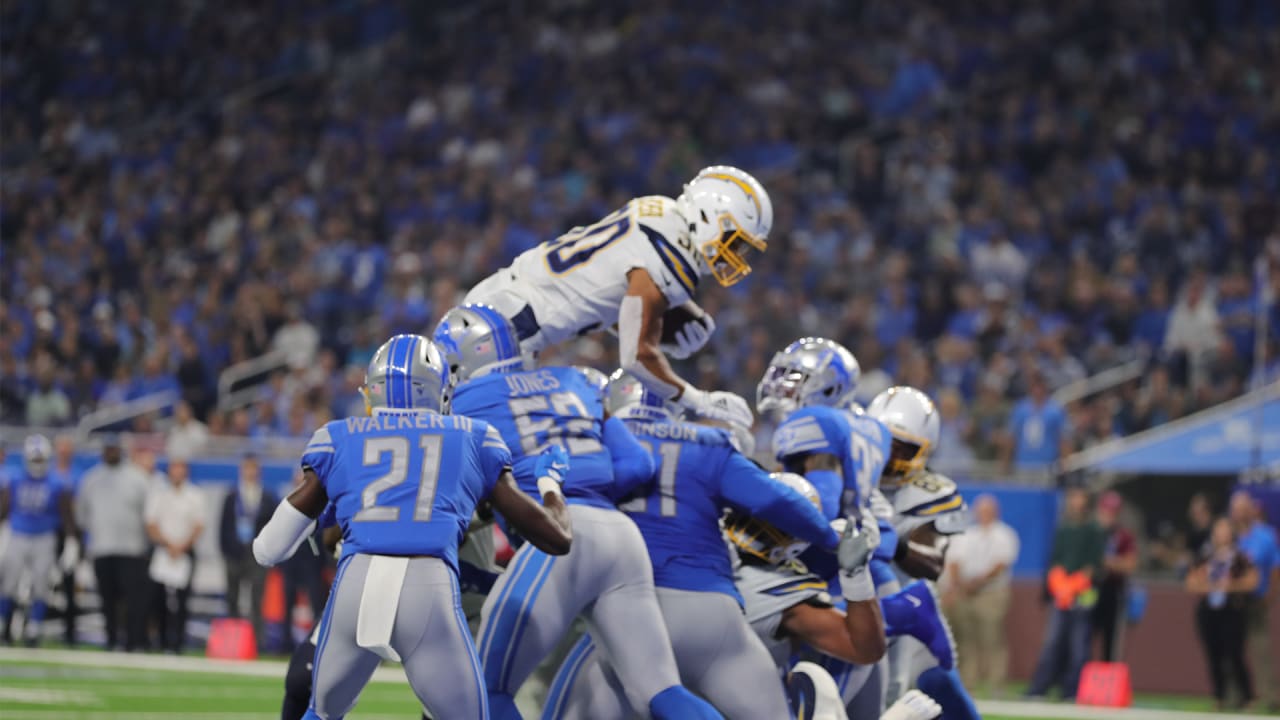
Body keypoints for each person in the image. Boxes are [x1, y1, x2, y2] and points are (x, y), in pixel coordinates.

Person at [252, 334, 573, 720]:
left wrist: (325, 511)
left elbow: (268, 550)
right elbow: (557, 539)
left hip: (356, 586)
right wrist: (550, 482)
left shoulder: (337, 437)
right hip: (427, 587)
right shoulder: (473, 437)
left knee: (319, 713)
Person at [436, 305, 721, 720]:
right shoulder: (577, 380)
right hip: (620, 537)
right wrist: (588, 482)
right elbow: (639, 465)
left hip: (557, 539)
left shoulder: (464, 401)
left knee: (485, 690)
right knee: (659, 691)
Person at [542, 370, 859, 719]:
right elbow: (775, 501)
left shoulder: (592, 445)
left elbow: (552, 516)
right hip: (712, 609)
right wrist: (832, 539)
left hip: (629, 612)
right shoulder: (706, 443)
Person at [463, 166, 770, 425]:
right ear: (709, 215)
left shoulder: (661, 209)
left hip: (505, 301)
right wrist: (698, 400)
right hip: (508, 327)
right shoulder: (669, 260)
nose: (734, 256)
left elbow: (603, 286)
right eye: (735, 242)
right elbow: (636, 357)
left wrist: (672, 311)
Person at [1026, 487, 1106, 700]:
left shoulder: (1094, 529)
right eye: (1072, 497)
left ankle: (1072, 691)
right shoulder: (1063, 528)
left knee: (1079, 645)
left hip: (1083, 594)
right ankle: (1039, 688)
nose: (1075, 501)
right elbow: (1056, 561)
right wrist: (1060, 586)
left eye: (1079, 496)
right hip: (1061, 594)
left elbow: (1094, 565)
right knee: (1052, 643)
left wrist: (1075, 585)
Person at [0, 435, 77, 646]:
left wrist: (71, 541)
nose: (37, 464)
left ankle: (34, 629)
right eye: (34, 459)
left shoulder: (56, 482)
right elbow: (4, 510)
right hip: (17, 535)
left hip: (44, 537)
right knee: (8, 583)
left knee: (41, 584)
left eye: (40, 459)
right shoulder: (14, 479)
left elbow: (66, 514)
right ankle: (3, 626)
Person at [76, 435, 151, 651]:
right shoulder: (91, 479)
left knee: (132, 600)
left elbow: (148, 512)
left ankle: (132, 641)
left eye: (114, 449)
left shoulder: (137, 478)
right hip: (102, 547)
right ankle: (110, 639)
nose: (111, 452)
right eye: (108, 449)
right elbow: (82, 515)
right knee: (107, 598)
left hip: (132, 548)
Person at [945, 494, 1019, 697]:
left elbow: (1001, 564)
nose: (983, 514)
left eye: (987, 510)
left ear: (995, 512)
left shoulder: (1004, 534)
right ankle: (968, 683)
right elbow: (954, 560)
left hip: (991, 592)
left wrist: (977, 582)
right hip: (965, 591)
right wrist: (957, 585)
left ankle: (996, 683)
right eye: (980, 510)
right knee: (966, 639)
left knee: (992, 638)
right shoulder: (968, 534)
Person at [1187, 517, 1258, 710]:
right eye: (1218, 530)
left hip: (1232, 610)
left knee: (1234, 654)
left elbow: (1252, 581)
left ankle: (1246, 696)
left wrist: (1229, 586)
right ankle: (1219, 696)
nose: (1222, 534)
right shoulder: (1206, 555)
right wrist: (1208, 584)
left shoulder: (1239, 557)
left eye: (1225, 529)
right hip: (1209, 610)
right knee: (1214, 655)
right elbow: (1191, 582)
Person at [143, 458, 205, 653]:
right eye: (174, 468)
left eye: (181, 469)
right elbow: (151, 523)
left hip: (185, 552)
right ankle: (160, 640)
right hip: (163, 551)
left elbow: (199, 525)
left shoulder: (195, 495)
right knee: (157, 598)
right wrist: (167, 544)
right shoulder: (159, 494)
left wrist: (181, 546)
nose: (177, 473)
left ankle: (178, 642)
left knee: (182, 600)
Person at [219, 453, 276, 648]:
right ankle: (232, 643)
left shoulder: (267, 497)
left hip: (257, 556)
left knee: (256, 600)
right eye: (247, 468)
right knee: (232, 598)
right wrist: (227, 552)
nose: (250, 472)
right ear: (242, 470)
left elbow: (272, 527)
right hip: (234, 554)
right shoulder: (232, 496)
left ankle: (256, 643)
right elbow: (223, 526)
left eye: (254, 468)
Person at [1231, 491, 1280, 711]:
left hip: (1256, 599)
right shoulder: (1229, 534)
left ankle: (1270, 697)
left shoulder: (1265, 535)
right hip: (1231, 601)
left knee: (1260, 650)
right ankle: (1236, 695)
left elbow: (1275, 566)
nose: (1239, 513)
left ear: (1252, 510)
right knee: (1231, 649)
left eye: (1243, 508)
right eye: (1236, 509)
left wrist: (1271, 594)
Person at [1093, 491, 1137, 662]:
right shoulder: (1091, 532)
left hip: (1113, 590)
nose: (1108, 516)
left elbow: (1130, 564)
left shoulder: (1123, 536)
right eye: (1106, 511)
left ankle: (1107, 679)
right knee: (1082, 635)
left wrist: (1107, 562)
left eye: (1113, 512)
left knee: (1111, 639)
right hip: (1090, 589)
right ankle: (1078, 679)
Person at [49, 433, 84, 645]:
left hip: (70, 533)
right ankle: (30, 627)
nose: (63, 451)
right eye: (60, 447)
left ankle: (69, 630)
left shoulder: (78, 475)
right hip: (47, 532)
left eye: (66, 447)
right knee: (40, 580)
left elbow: (79, 508)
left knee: (69, 582)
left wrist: (76, 538)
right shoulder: (48, 473)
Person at [1003, 371, 1070, 473]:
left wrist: (1065, 463)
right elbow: (1011, 437)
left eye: (1040, 386)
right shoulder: (1020, 409)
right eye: (1035, 386)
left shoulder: (1055, 410)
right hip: (1023, 464)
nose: (1037, 390)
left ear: (1045, 388)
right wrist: (1005, 463)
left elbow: (1063, 439)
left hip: (1047, 465)